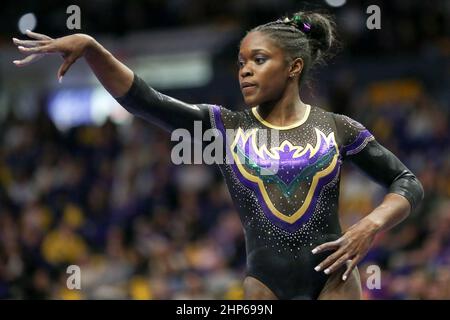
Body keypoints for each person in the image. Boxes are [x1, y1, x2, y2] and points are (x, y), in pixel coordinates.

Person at [12, 11, 424, 300]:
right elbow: (145, 102)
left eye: (259, 61)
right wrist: (92, 48)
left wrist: (370, 225)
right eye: (241, 62)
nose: (244, 70)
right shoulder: (227, 127)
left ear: (294, 67)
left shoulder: (337, 128)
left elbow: (407, 182)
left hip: (336, 283)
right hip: (263, 286)